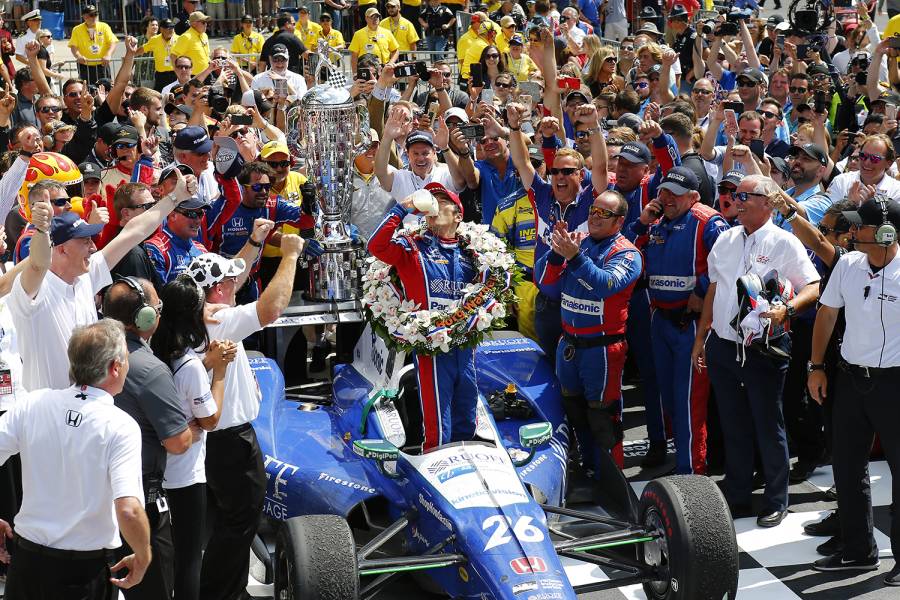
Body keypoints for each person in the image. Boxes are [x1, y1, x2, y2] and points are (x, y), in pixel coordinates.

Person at [692, 174, 820, 528]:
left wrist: (788, 309)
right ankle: (737, 494)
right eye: (735, 194)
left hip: (764, 347)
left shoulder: (784, 242)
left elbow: (813, 285)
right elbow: (714, 292)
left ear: (767, 202)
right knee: (733, 423)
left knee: (768, 423)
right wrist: (701, 338)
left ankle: (776, 499)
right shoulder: (725, 239)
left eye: (745, 195)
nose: (736, 199)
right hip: (723, 345)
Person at [186, 234, 307, 600]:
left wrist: (254, 242)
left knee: (225, 519)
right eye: (229, 281)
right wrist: (289, 256)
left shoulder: (194, 313)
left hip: (213, 438)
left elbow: (235, 279)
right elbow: (271, 309)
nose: (235, 285)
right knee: (240, 518)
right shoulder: (220, 320)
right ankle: (224, 593)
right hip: (229, 439)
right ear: (218, 289)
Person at [8, 168, 196, 391]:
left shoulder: (86, 275)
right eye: (85, 240)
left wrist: (175, 198)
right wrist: (41, 230)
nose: (94, 246)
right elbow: (38, 264)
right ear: (61, 249)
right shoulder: (33, 291)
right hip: (49, 418)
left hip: (90, 409)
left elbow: (133, 232)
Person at [0, 319, 151, 598]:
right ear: (115, 367)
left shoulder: (32, 405)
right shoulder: (121, 425)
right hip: (83, 574)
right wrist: (144, 555)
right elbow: (128, 510)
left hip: (27, 567)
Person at [808, 198, 900, 585]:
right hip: (850, 379)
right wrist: (815, 367)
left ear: (885, 233)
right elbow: (827, 313)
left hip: (895, 382)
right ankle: (858, 549)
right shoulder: (847, 264)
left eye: (858, 227)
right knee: (846, 467)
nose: (850, 232)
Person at [626, 167, 730, 475]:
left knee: (689, 403)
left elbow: (727, 264)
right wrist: (642, 223)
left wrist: (700, 290)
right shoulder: (655, 222)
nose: (667, 197)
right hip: (660, 320)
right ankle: (685, 459)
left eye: (675, 192)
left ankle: (691, 471)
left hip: (693, 324)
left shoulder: (708, 222)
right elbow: (624, 253)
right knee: (669, 399)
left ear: (694, 197)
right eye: (663, 191)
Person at [534, 189, 642, 472]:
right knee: (574, 411)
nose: (594, 216)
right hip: (568, 345)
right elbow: (544, 282)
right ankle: (587, 468)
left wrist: (575, 258)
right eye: (593, 210)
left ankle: (612, 477)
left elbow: (605, 285)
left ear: (618, 222)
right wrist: (557, 256)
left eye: (604, 213)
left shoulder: (628, 253)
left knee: (603, 417)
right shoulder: (576, 242)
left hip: (602, 349)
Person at [368, 183, 481, 450]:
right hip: (430, 347)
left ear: (458, 215)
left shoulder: (475, 253)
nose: (433, 204)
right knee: (437, 420)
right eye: (432, 199)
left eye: (442, 200)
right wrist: (401, 209)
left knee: (467, 410)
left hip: (465, 347)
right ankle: (436, 459)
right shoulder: (412, 248)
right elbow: (377, 246)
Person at [102, 277, 194, 600]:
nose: (159, 313)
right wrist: (197, 424)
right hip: (142, 504)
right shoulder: (150, 370)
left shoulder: (89, 354)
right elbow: (178, 442)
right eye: (156, 307)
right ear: (143, 318)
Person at [151, 275, 235, 600]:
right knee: (188, 561)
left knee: (166, 557)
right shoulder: (190, 366)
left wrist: (205, 363)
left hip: (155, 472)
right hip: (185, 475)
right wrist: (221, 372)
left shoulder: (155, 350)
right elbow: (210, 419)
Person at [67, 5, 116, 85]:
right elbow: (73, 46)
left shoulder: (104, 26)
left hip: (102, 65)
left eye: (95, 14)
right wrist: (78, 56)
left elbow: (112, 42)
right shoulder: (77, 29)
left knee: (106, 89)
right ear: (84, 16)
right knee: (87, 90)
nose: (94, 17)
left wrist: (108, 55)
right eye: (91, 15)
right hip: (85, 65)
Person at [349, 7, 400, 72]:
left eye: (377, 17)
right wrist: (355, 73)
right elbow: (354, 56)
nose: (375, 19)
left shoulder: (387, 32)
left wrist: (390, 63)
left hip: (384, 69)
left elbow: (395, 50)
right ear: (366, 18)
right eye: (372, 17)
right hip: (366, 70)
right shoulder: (358, 34)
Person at [141, 18, 179, 92]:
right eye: (168, 27)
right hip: (161, 75)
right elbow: (143, 48)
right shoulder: (154, 39)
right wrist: (131, 53)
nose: (171, 29)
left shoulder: (179, 39)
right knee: (160, 97)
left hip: (175, 74)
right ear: (161, 29)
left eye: (172, 27)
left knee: (176, 97)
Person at [169, 11, 211, 78]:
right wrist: (178, 73)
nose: (206, 24)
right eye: (203, 22)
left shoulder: (204, 35)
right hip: (192, 76)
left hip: (206, 74)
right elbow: (173, 56)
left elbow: (207, 55)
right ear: (194, 24)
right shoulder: (186, 37)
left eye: (206, 22)